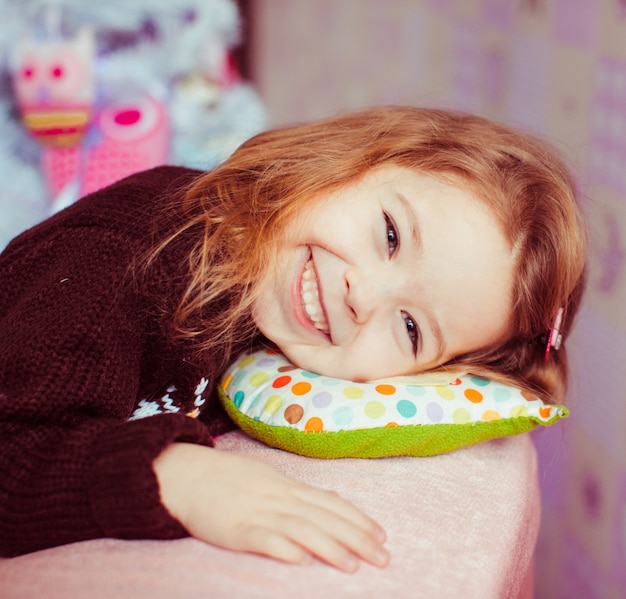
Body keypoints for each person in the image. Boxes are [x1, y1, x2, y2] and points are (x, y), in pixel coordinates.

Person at [0, 106, 586, 570]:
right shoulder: (130, 253)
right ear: (349, 159)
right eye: (389, 233)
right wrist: (170, 475)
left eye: (409, 328)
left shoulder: (267, 326)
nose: (365, 295)